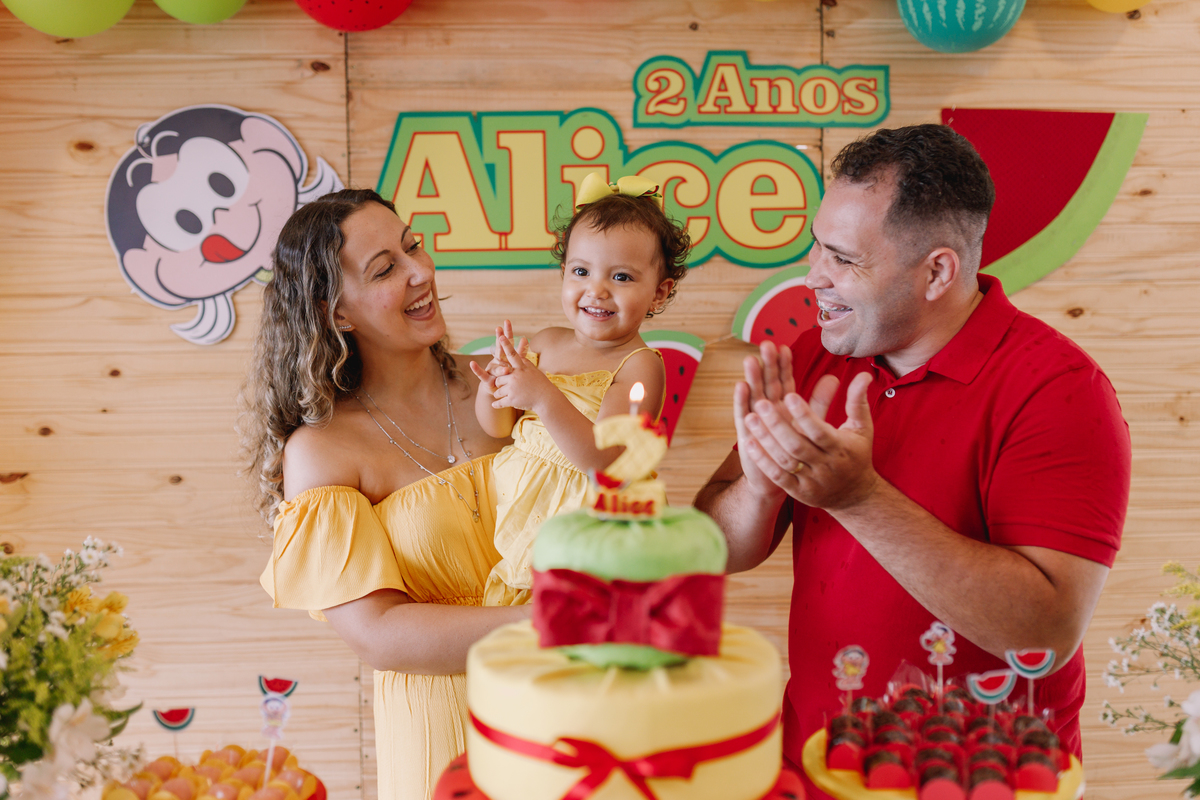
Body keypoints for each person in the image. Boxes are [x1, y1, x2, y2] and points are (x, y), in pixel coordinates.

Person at [694, 125, 1131, 793]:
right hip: (813, 765)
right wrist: (759, 486)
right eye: (817, 246)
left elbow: (1043, 633)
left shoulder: (1060, 390)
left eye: (844, 258)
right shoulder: (816, 354)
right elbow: (713, 547)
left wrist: (858, 499)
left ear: (937, 272)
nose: (814, 276)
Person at [243, 188, 530, 800]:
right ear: (336, 313)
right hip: (445, 729)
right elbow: (379, 633)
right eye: (385, 269)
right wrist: (554, 624)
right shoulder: (322, 450)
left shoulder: (510, 382)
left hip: (566, 702)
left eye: (413, 247)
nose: (420, 272)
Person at [472, 172, 690, 606]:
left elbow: (604, 460)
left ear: (659, 293)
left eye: (622, 277)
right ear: (563, 273)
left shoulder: (640, 365)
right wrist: (494, 386)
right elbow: (497, 427)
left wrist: (542, 396)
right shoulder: (547, 341)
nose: (597, 290)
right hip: (527, 525)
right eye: (581, 271)